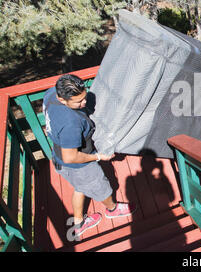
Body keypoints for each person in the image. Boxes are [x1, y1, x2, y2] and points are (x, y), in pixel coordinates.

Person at [43, 74, 136, 238]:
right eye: (78, 102)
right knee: (101, 189)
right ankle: (112, 209)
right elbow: (71, 157)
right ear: (62, 99)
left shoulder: (50, 94)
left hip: (59, 157)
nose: (84, 103)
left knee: (80, 187)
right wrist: (99, 157)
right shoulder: (70, 123)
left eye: (84, 97)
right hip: (78, 165)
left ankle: (78, 223)